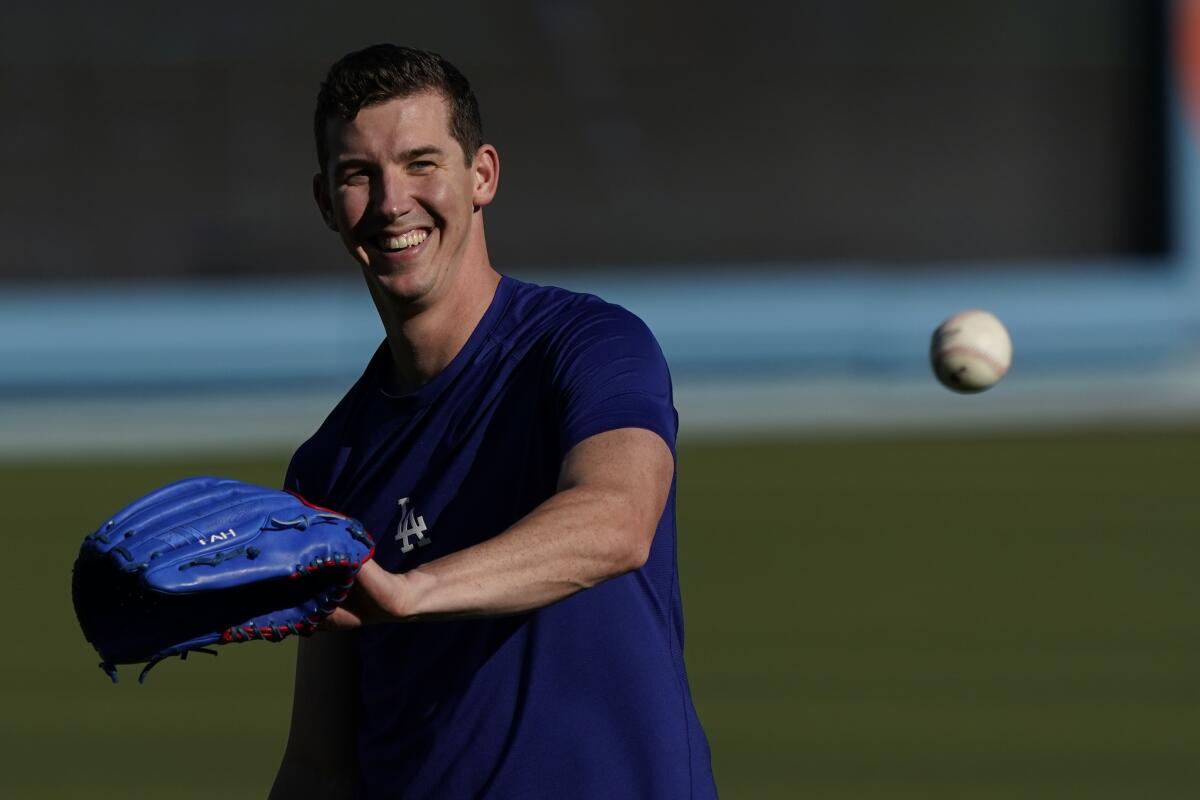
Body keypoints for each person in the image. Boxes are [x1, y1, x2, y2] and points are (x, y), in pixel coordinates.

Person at [270, 44, 717, 799]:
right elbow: (320, 764)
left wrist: (412, 592)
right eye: (358, 176)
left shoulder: (585, 346)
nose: (390, 203)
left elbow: (618, 521)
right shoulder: (328, 468)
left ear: (482, 176)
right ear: (324, 203)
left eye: (421, 163)